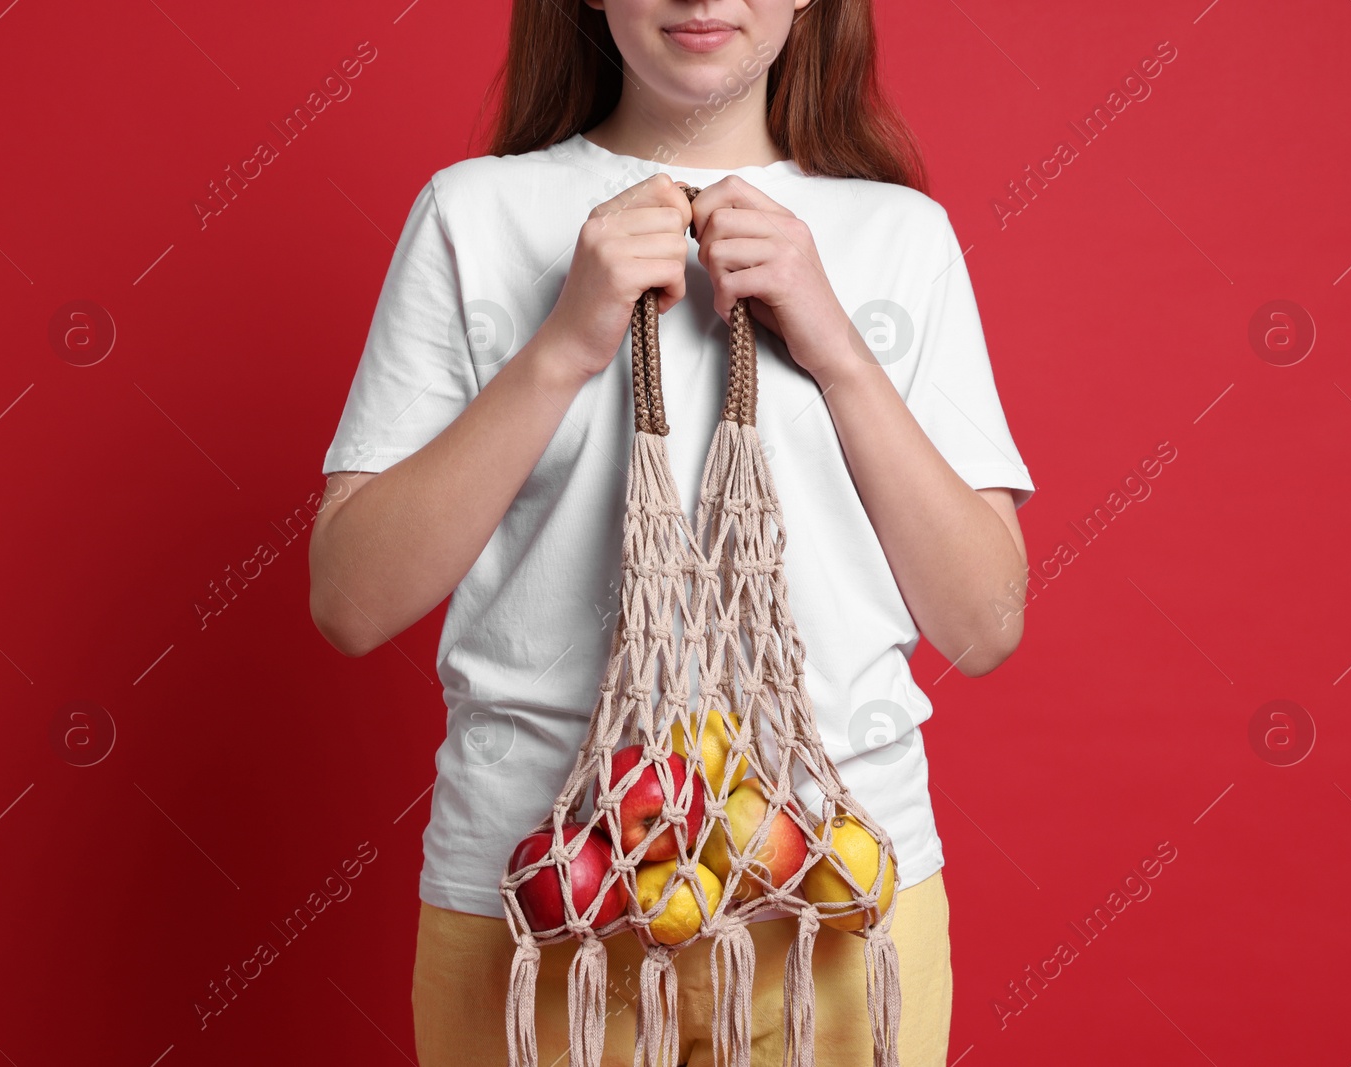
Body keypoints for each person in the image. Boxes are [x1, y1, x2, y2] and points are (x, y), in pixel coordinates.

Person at [309, 1, 1035, 1063]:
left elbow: (984, 622)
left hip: (834, 899)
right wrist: (563, 342)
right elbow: (350, 601)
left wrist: (833, 345)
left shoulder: (897, 236)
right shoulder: (475, 217)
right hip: (542, 897)